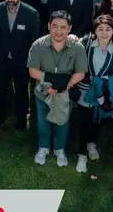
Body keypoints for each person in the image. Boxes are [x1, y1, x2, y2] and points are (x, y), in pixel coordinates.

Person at [28, 11, 86, 167]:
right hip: (43, 92)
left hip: (64, 94)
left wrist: (62, 86)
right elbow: (33, 71)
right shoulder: (38, 45)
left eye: (63, 27)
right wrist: (51, 84)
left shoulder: (77, 47)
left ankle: (59, 149)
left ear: (69, 29)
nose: (58, 31)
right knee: (42, 122)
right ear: (48, 26)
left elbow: (80, 72)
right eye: (55, 26)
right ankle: (43, 147)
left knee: (63, 123)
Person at [73, 14, 113, 172]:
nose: (104, 33)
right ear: (95, 30)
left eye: (108, 29)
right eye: (100, 29)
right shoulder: (86, 43)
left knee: (100, 119)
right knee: (85, 121)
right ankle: (82, 155)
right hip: (85, 90)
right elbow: (73, 56)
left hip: (103, 91)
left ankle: (92, 143)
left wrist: (103, 81)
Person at [0, 0, 40, 129]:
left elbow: (34, 41)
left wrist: (30, 61)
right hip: (1, 60)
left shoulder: (31, 13)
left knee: (22, 93)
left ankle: (21, 121)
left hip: (21, 61)